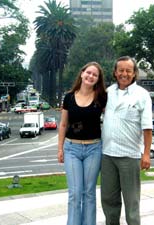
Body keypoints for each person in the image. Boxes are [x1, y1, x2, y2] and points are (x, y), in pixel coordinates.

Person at [101, 56, 153, 225]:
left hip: (129, 157)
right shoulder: (107, 93)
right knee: (109, 200)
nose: (124, 74)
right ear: (115, 72)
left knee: (132, 202)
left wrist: (146, 154)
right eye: (121, 70)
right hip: (107, 155)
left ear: (134, 73)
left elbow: (147, 128)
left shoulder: (142, 95)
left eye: (128, 70)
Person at [57, 62, 107, 225]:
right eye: (88, 72)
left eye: (95, 75)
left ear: (98, 79)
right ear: (82, 73)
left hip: (94, 149)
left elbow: (111, 119)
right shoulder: (69, 97)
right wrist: (60, 149)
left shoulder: (102, 97)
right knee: (75, 193)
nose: (91, 76)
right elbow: (63, 124)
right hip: (72, 149)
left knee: (89, 193)